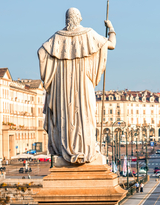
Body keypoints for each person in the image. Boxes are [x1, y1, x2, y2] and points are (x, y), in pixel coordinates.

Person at [38, 8, 116, 164]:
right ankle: (87, 149)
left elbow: (41, 52)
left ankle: (66, 149)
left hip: (63, 85)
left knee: (65, 116)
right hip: (83, 83)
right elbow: (111, 45)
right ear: (79, 18)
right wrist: (111, 29)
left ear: (67, 19)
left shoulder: (57, 37)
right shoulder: (89, 34)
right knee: (86, 114)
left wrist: (55, 67)